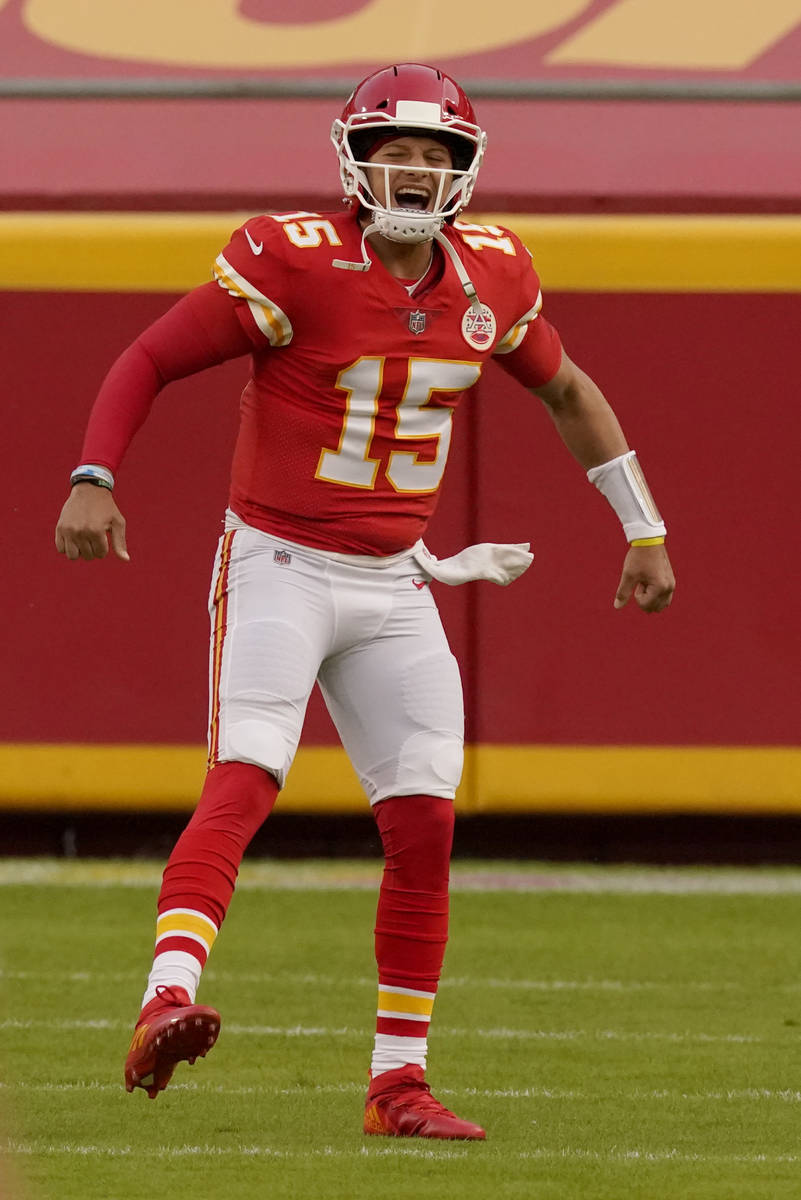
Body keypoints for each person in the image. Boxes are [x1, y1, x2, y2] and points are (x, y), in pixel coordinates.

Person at [55, 62, 675, 1140]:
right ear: (355, 157)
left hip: (395, 580)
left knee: (427, 821)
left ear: (466, 174)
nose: (415, 173)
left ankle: (397, 1085)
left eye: (436, 157)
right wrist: (95, 475)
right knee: (246, 775)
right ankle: (163, 995)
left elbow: (567, 390)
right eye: (397, 152)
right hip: (281, 562)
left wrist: (643, 524)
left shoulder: (491, 275)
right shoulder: (292, 260)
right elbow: (149, 357)